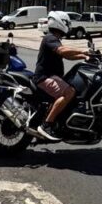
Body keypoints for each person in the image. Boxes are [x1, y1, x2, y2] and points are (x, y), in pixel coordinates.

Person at [31, 10, 90, 141]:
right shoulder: (50, 38)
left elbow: (66, 55)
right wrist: (83, 50)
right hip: (44, 77)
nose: (68, 26)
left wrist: (85, 56)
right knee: (69, 92)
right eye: (66, 23)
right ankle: (47, 125)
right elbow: (63, 51)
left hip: (51, 76)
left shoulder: (54, 39)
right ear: (59, 23)